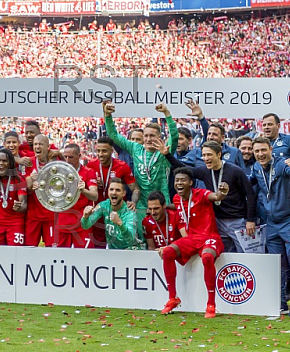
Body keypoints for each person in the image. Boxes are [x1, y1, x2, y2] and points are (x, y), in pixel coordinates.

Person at [160, 167, 229, 318]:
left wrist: (222, 193)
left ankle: (211, 304)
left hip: (209, 236)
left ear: (190, 182)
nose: (179, 183)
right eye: (177, 180)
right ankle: (173, 298)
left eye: (183, 180)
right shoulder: (176, 199)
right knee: (167, 252)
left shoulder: (201, 194)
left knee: (207, 258)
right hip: (192, 239)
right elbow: (178, 208)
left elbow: (215, 197)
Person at [250, 136, 290, 316]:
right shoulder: (256, 168)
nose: (260, 154)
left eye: (263, 150)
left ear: (271, 150)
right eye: (257, 151)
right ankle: (281, 300)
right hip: (271, 222)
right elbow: (249, 184)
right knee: (277, 264)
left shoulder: (281, 165)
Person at [103, 100, 177, 229]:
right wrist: (108, 116)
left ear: (160, 137)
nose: (148, 139)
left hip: (161, 203)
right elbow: (113, 135)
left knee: (161, 239)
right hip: (142, 205)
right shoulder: (136, 149)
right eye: (146, 136)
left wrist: (167, 113)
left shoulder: (164, 151)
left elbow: (174, 136)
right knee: (143, 240)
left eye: (152, 136)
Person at [190, 141, 256, 252]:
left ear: (219, 154)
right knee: (223, 257)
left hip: (238, 221)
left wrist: (251, 220)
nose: (205, 158)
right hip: (218, 222)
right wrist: (167, 155)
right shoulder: (205, 171)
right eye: (204, 155)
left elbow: (250, 195)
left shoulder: (235, 171)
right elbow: (184, 170)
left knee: (247, 256)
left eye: (209, 154)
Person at [85, 136, 138, 248]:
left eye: (104, 151)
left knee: (119, 245)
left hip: (117, 214)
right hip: (98, 212)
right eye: (98, 150)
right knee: (98, 247)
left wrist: (133, 202)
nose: (100, 154)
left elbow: (135, 189)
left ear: (112, 151)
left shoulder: (122, 166)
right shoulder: (91, 166)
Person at [52, 143, 98, 247]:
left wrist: (84, 190)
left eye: (71, 157)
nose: (67, 160)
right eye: (65, 157)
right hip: (62, 222)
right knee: (59, 258)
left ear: (79, 156)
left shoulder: (88, 172)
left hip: (82, 223)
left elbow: (95, 195)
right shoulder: (58, 172)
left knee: (85, 258)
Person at [80, 178, 137, 249]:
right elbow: (86, 226)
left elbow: (130, 240)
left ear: (124, 193)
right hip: (112, 251)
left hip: (129, 251)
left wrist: (120, 223)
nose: (114, 192)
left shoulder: (129, 212)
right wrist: (85, 217)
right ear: (108, 191)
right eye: (111, 189)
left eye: (118, 190)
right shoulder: (103, 206)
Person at [24, 134, 57, 247]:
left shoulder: (56, 163)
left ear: (48, 147)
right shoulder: (29, 162)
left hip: (51, 215)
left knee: (53, 249)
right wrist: (31, 181)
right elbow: (27, 188)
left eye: (40, 144)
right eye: (35, 144)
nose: (37, 147)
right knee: (29, 248)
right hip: (33, 214)